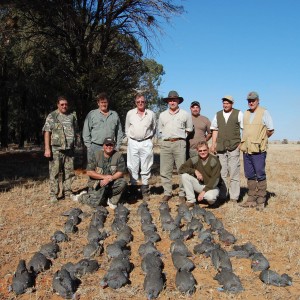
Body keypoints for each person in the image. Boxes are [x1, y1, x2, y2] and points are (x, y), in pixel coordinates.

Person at [239, 91, 274, 210]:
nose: (251, 102)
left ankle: (261, 200)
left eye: (253, 100)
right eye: (249, 101)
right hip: (247, 149)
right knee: (249, 175)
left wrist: (261, 139)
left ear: (258, 100)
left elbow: (270, 130)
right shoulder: (246, 113)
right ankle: (251, 199)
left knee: (260, 174)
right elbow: (244, 130)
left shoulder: (264, 112)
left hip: (258, 150)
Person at [158, 90, 193, 202]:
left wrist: (180, 138)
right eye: (170, 100)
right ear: (168, 101)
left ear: (178, 101)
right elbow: (160, 130)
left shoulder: (185, 114)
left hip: (179, 143)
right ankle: (167, 192)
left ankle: (182, 193)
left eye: (174, 100)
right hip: (166, 143)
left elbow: (189, 129)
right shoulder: (162, 115)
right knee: (165, 170)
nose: (172, 102)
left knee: (182, 169)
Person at [43, 96, 78, 203]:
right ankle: (53, 194)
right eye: (62, 104)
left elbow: (75, 131)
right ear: (57, 104)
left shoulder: (72, 116)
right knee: (54, 173)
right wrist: (47, 149)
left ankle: (67, 192)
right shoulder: (52, 116)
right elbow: (47, 132)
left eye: (66, 104)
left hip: (69, 150)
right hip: (56, 149)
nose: (64, 106)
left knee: (69, 172)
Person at [76, 137, 127, 209]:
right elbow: (89, 172)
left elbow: (121, 172)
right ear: (103, 146)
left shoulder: (118, 156)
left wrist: (111, 178)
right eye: (107, 145)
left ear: (114, 146)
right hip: (98, 183)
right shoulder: (96, 155)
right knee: (95, 204)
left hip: (111, 182)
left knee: (123, 182)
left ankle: (112, 201)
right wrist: (104, 177)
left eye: (111, 145)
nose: (109, 147)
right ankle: (81, 197)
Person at [210, 95, 243, 202]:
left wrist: (241, 143)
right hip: (221, 148)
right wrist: (213, 144)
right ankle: (222, 196)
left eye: (228, 103)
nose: (225, 105)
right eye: (224, 103)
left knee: (234, 173)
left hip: (234, 147)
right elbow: (214, 129)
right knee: (222, 173)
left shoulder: (238, 113)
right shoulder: (218, 114)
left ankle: (234, 197)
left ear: (232, 104)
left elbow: (244, 129)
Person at [125, 93, 156, 200]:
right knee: (132, 166)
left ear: (145, 102)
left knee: (146, 166)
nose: (140, 103)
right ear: (135, 102)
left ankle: (145, 189)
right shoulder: (130, 113)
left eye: (142, 101)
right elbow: (127, 128)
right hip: (133, 142)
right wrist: (130, 140)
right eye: (138, 102)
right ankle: (133, 189)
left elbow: (154, 128)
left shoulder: (151, 114)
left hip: (146, 142)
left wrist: (149, 140)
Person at [179, 141, 222, 207]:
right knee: (184, 176)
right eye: (200, 151)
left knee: (210, 197)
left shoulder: (214, 160)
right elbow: (181, 169)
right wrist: (195, 171)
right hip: (200, 185)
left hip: (212, 186)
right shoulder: (195, 159)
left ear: (208, 149)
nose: (202, 152)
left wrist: (203, 192)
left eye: (204, 150)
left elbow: (215, 179)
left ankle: (210, 201)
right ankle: (191, 201)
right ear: (197, 151)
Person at [82, 92, 123, 158]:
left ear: (108, 103)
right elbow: (86, 132)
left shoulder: (114, 115)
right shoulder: (92, 114)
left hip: (110, 147)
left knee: (109, 167)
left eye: (105, 102)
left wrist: (117, 147)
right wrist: (89, 146)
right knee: (93, 168)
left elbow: (119, 132)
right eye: (102, 102)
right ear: (98, 103)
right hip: (95, 147)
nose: (104, 104)